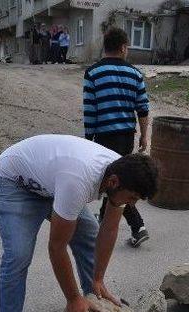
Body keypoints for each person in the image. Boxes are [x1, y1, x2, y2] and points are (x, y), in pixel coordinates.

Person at [0, 134, 158, 312]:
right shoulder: (79, 180)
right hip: (13, 183)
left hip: (51, 184)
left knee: (89, 233)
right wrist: (72, 298)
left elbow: (108, 230)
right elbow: (56, 247)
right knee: (17, 256)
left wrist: (98, 280)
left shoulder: (124, 171)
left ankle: (93, 294)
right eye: (131, 198)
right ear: (113, 182)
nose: (132, 204)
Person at [83, 27, 151, 247]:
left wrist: (88, 140)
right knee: (117, 180)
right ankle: (108, 219)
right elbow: (142, 108)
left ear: (106, 47)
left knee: (115, 182)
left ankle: (137, 226)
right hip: (125, 137)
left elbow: (90, 110)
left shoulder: (93, 73)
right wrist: (144, 136)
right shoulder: (135, 74)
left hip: (103, 136)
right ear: (123, 48)